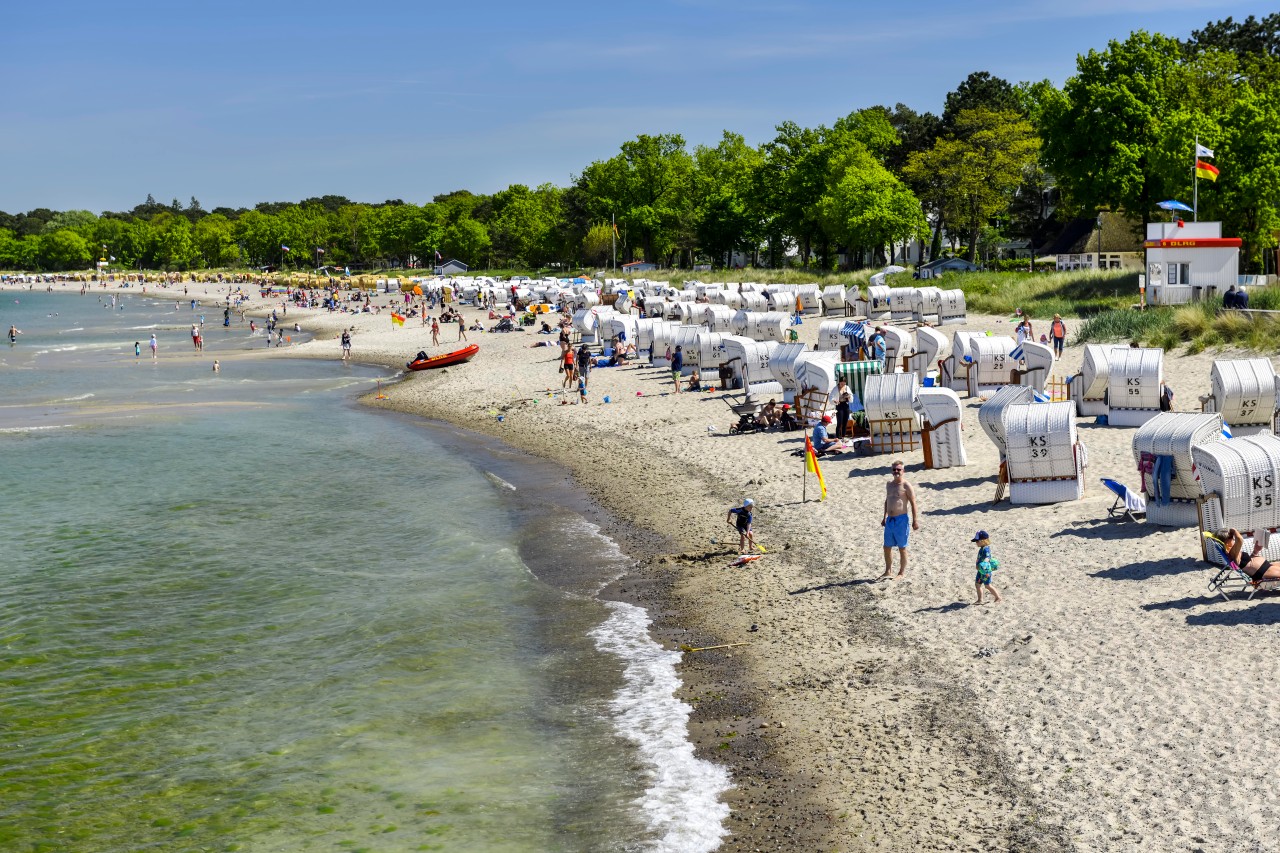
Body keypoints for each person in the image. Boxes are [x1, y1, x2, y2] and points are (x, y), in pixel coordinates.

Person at [879, 461, 919, 579]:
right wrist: (884, 516)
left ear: (903, 471)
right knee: (887, 547)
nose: (896, 471)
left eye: (898, 469)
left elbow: (913, 503)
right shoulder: (889, 484)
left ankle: (901, 573)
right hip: (890, 520)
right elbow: (887, 501)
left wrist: (915, 520)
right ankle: (888, 571)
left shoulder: (906, 485)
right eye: (894, 469)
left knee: (902, 548)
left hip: (901, 520)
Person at [972, 530, 1002, 604]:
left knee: (987, 585)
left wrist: (985, 562)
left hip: (985, 571)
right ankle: (980, 600)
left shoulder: (986, 549)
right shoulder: (982, 548)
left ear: (983, 541)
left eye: (977, 541)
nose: (976, 542)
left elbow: (988, 556)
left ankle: (998, 597)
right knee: (977, 585)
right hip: (980, 571)